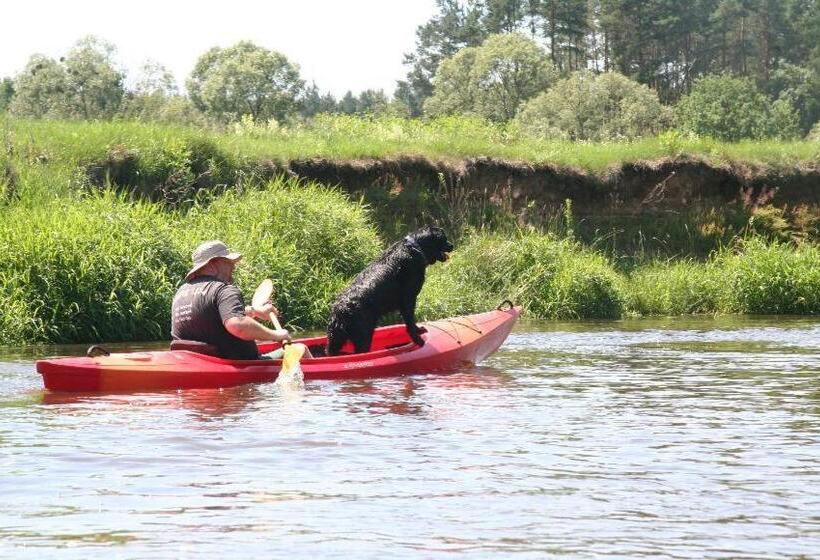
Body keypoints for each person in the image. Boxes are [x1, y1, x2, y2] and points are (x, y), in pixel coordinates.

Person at [171, 240, 290, 360]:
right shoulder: (224, 290)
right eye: (228, 262)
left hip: (194, 361)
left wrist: (254, 311)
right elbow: (237, 325)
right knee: (301, 349)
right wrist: (276, 335)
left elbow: (212, 315)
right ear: (213, 264)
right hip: (237, 363)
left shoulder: (181, 292)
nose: (233, 266)